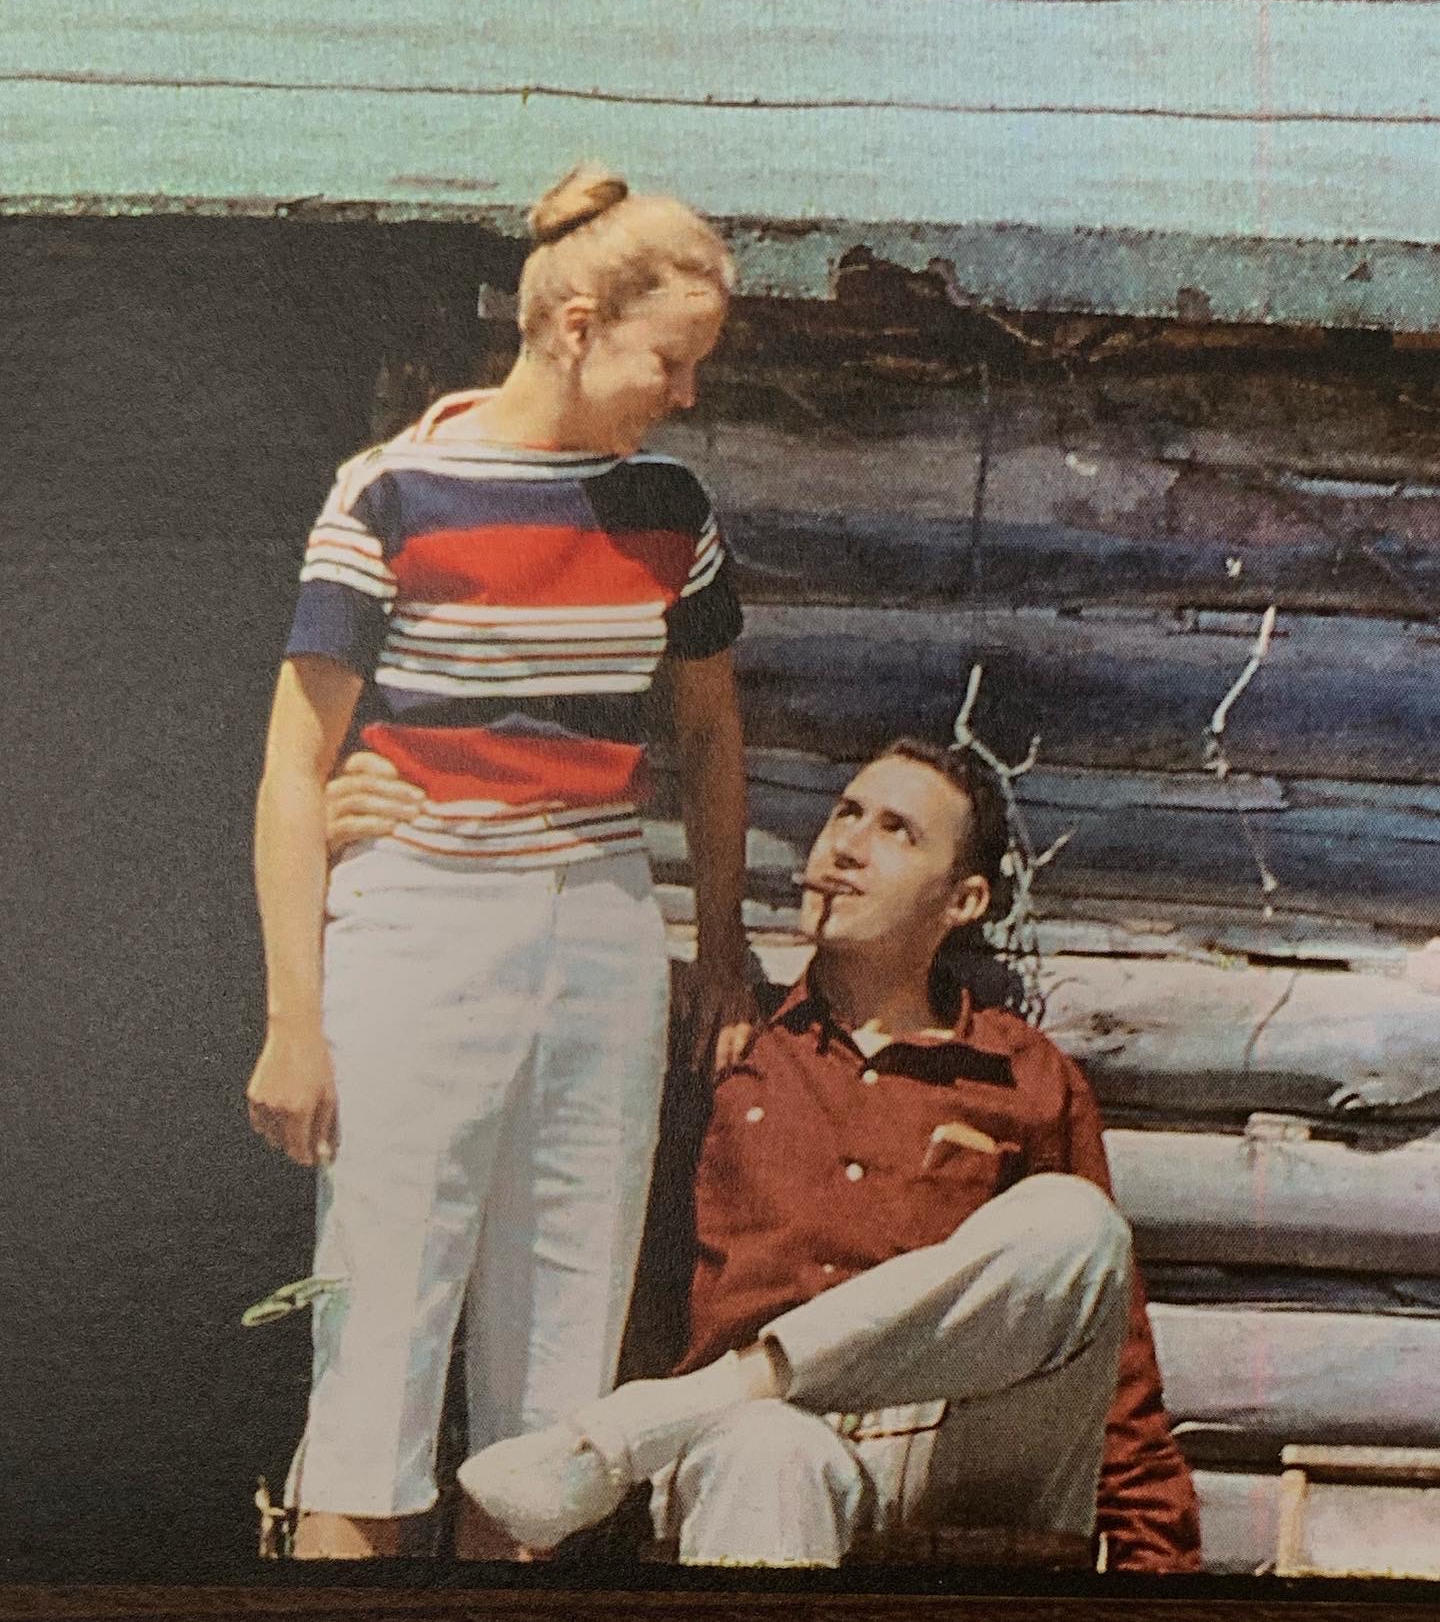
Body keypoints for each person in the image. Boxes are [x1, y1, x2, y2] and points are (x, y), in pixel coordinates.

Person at [327, 739, 1203, 1569]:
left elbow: (1116, 1371)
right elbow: (496, 1006)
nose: (849, 846)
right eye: (846, 813)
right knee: (762, 1444)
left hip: (959, 1449)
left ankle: (672, 1411)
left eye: (897, 831)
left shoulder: (1022, 1074)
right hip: (751, 1453)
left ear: (964, 900)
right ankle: (723, 1403)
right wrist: (365, 850)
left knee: (1078, 1226)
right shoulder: (716, 1034)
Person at [246, 163, 755, 1559]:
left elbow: (709, 736)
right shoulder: (394, 488)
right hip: (418, 917)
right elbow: (296, 763)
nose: (686, 393)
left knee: (555, 1389)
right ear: (576, 322)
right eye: (672, 359)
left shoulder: (669, 503)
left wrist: (719, 941)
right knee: (375, 1358)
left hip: (599, 918)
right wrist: (296, 1016)